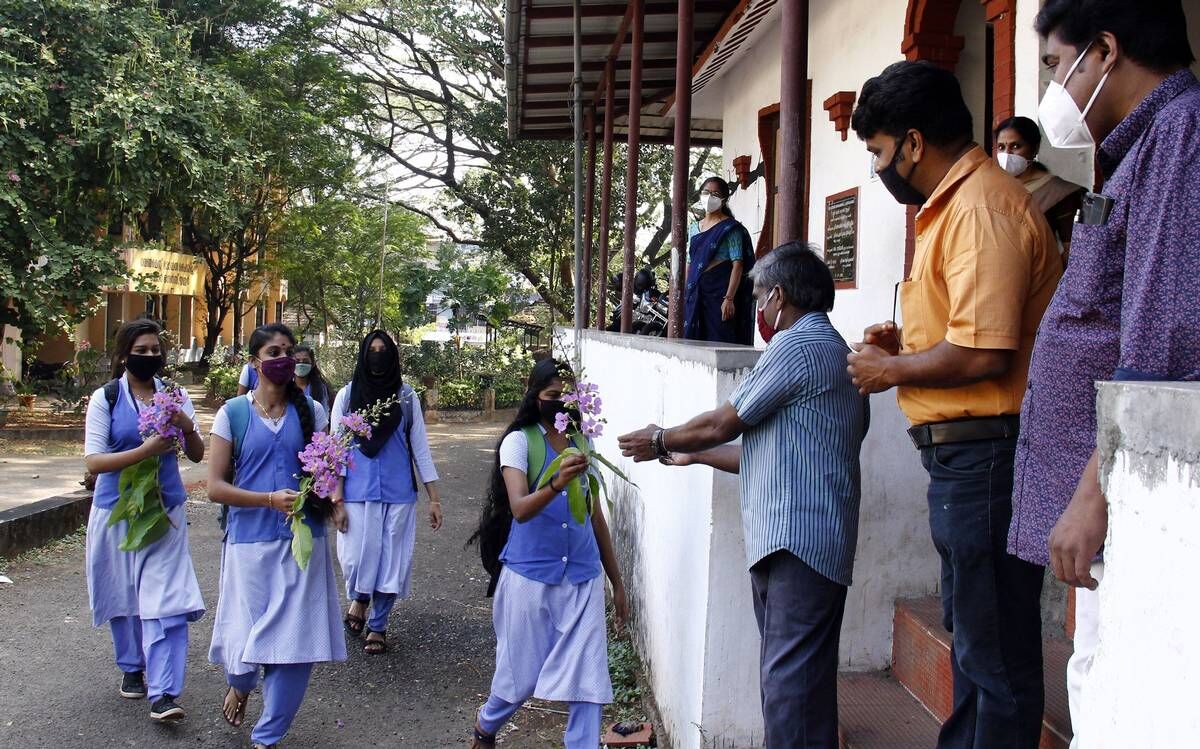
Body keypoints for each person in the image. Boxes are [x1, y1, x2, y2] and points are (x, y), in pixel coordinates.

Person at [845, 60, 1061, 749]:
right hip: (968, 458)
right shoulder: (954, 206)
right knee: (976, 642)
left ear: (913, 142)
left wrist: (890, 369)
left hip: (988, 455)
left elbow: (984, 352)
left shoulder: (980, 209)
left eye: (879, 151)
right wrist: (906, 345)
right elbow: (965, 330)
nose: (879, 167)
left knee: (994, 657)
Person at [1010, 3, 1199, 746]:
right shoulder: (1142, 146)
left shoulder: (1179, 135)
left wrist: (1094, 496)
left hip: (1123, 501)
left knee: (1112, 692)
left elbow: (1160, 348)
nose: (1052, 87)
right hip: (1106, 505)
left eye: (1056, 65)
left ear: (1105, 51)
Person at [619, 243, 868, 749]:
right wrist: (695, 455)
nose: (759, 308)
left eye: (759, 296)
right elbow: (767, 452)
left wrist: (662, 438)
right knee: (802, 687)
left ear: (779, 296)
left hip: (798, 542)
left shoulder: (798, 345)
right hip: (807, 540)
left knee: (789, 692)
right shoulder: (832, 351)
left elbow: (722, 422)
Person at [467, 358, 627, 749]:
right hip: (529, 575)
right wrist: (556, 483)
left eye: (568, 396)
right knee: (519, 677)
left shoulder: (583, 442)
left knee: (588, 681)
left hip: (583, 576)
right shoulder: (519, 442)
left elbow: (594, 514)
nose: (561, 403)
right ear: (535, 395)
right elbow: (520, 508)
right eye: (553, 394)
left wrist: (617, 581)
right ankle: (486, 726)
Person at [207, 323, 346, 749]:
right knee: (243, 637)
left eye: (289, 351)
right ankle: (240, 684)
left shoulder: (312, 412)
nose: (284, 359)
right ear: (255, 362)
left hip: (302, 543)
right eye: (273, 352)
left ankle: (267, 736)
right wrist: (267, 500)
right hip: (247, 542)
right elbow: (214, 487)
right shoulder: (232, 414)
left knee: (294, 642)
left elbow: (326, 472)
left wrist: (333, 495)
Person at [83, 319, 206, 722]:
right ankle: (132, 666)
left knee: (166, 599)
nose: (150, 356)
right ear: (124, 355)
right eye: (142, 350)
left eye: (155, 350)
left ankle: (164, 691)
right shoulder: (106, 397)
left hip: (164, 510)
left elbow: (197, 454)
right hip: (116, 509)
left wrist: (186, 425)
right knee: (122, 593)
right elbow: (94, 461)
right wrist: (145, 450)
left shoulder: (174, 395)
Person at [332, 330, 443, 655]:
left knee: (392, 562)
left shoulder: (406, 398)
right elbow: (335, 451)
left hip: (398, 493)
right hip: (356, 492)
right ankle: (360, 597)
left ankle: (378, 625)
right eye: (372, 350)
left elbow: (420, 449)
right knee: (355, 559)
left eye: (383, 351)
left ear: (393, 357)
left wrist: (434, 498)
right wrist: (336, 500)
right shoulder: (347, 396)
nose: (377, 356)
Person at [994, 115, 1086, 260]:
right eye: (1001, 147)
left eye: (1015, 146)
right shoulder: (994, 188)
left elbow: (1073, 252)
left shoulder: (1058, 192)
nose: (1007, 154)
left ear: (1035, 148)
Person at [682, 176, 756, 345]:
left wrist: (729, 298)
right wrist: (688, 291)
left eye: (715, 194)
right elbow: (690, 262)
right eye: (706, 192)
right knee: (693, 341)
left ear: (724, 199)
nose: (709, 197)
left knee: (720, 338)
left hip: (719, 293)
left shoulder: (730, 228)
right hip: (696, 292)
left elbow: (738, 265)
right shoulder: (694, 228)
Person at [294, 344, 333, 412]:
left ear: (313, 364)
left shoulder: (320, 388)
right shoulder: (284, 387)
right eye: (297, 361)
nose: (301, 364)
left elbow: (324, 413)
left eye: (305, 361)